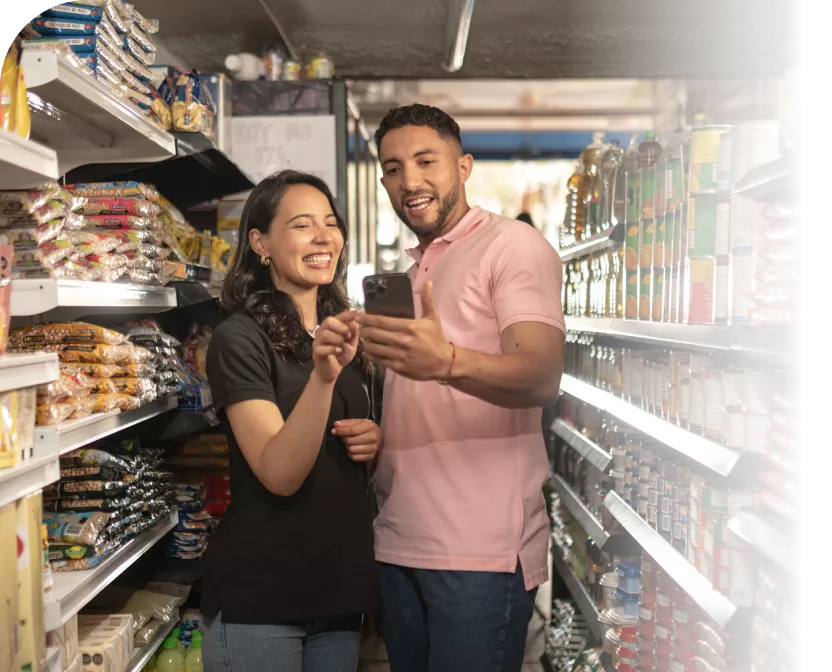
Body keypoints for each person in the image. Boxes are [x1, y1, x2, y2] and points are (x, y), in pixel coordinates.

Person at [358, 104, 566, 672]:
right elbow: (420, 398)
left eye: (427, 161)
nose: (411, 181)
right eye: (394, 168)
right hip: (399, 536)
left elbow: (543, 375)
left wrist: (446, 360)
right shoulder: (411, 272)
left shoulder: (512, 247)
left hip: (479, 551)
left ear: (465, 165)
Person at [203, 170, 381, 672]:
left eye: (330, 223)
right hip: (263, 597)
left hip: (338, 592)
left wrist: (374, 442)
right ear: (260, 242)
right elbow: (279, 474)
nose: (324, 236)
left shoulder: (346, 332)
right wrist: (323, 379)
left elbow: (341, 463)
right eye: (302, 225)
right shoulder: (239, 339)